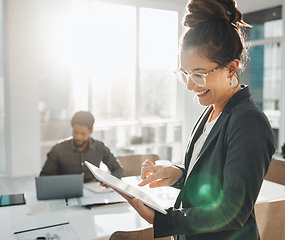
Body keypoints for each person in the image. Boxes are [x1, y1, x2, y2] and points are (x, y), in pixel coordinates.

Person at [114, 0, 276, 239]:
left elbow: (232, 211)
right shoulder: (212, 110)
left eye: (199, 75)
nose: (190, 85)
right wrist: (179, 174)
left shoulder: (249, 122)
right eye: (185, 74)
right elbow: (214, 178)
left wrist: (165, 220)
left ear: (231, 69)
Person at [40, 111, 124, 183]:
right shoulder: (58, 149)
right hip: (66, 193)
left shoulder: (100, 147)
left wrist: (109, 181)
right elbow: (44, 177)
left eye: (83, 134)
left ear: (90, 131)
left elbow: (118, 169)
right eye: (75, 132)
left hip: (94, 192)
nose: (78, 137)